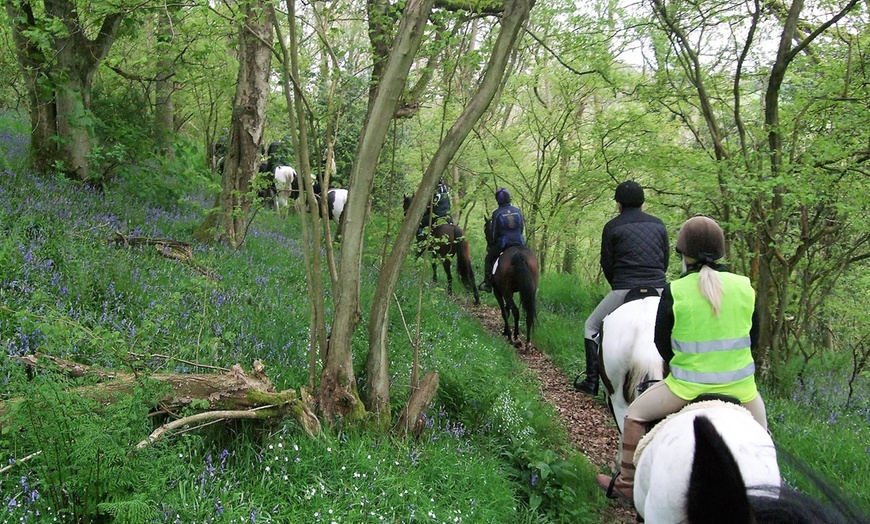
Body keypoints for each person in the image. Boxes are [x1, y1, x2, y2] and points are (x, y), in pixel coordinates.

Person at [595, 215, 768, 505]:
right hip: (743, 391)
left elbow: (663, 343)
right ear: (722, 251)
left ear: (683, 255)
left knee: (635, 414)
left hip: (686, 388)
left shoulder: (676, 291)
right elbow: (755, 339)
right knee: (764, 440)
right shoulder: (745, 287)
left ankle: (626, 483)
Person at [575, 181, 668, 396]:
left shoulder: (612, 227)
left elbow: (607, 263)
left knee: (590, 326)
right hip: (659, 289)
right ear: (643, 202)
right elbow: (664, 261)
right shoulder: (659, 224)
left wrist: (617, 285)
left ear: (619, 204)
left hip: (624, 288)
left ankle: (591, 381)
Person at [478, 188, 525, 293]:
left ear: (498, 200)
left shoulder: (497, 213)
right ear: (509, 198)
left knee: (488, 259)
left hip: (504, 243)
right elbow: (521, 228)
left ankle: (488, 283)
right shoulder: (517, 211)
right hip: (519, 241)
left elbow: (494, 232)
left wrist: (493, 243)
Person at [417, 179, 453, 244]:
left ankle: (421, 242)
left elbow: (431, 204)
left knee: (419, 224)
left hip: (437, 215)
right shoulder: (446, 190)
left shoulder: (435, 191)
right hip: (448, 217)